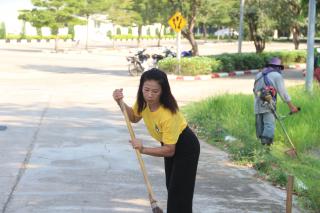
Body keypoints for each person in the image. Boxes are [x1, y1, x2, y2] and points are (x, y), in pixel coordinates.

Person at [113, 68, 200, 213]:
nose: (149, 95)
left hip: (185, 147)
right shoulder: (143, 103)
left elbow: (170, 150)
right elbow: (134, 117)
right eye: (146, 90)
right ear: (141, 87)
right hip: (169, 144)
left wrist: (143, 149)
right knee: (172, 187)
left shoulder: (168, 114)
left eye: (155, 91)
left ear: (163, 91)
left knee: (179, 193)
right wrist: (120, 102)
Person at [253, 57, 299, 145]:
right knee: (269, 126)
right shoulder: (277, 76)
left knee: (260, 127)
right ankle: (266, 148)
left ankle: (260, 148)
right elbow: (284, 93)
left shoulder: (259, 75)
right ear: (278, 67)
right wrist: (292, 107)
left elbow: (255, 91)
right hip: (268, 105)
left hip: (257, 105)